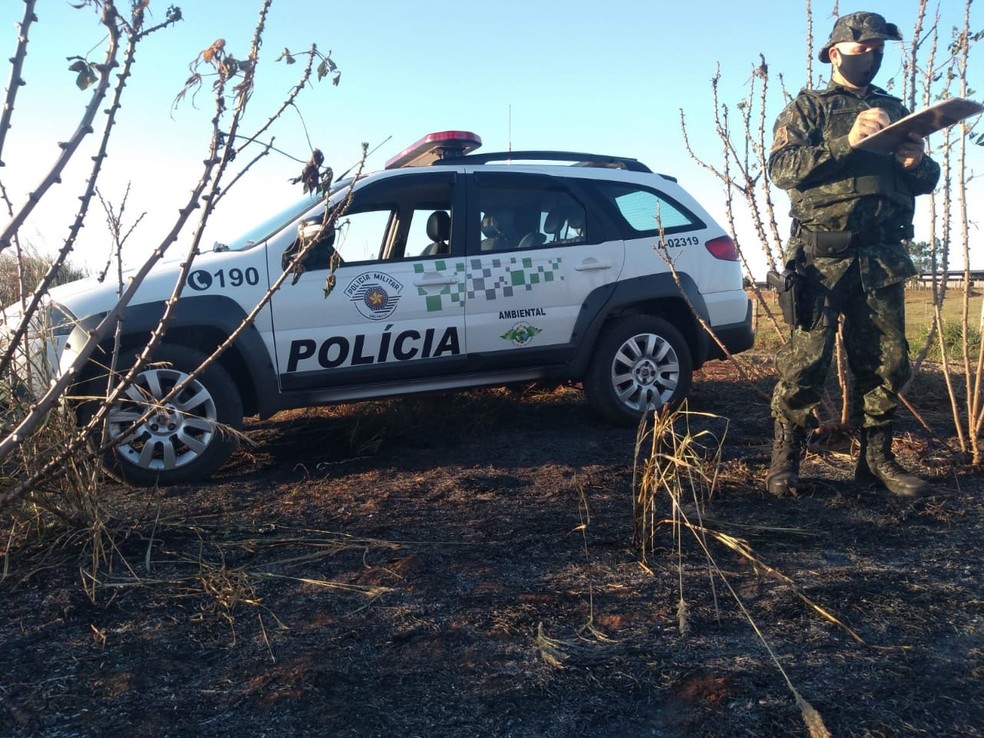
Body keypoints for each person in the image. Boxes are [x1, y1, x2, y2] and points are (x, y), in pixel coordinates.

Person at [765, 11, 941, 498]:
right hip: (821, 259)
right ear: (837, 51)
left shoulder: (895, 108)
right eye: (865, 51)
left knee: (886, 364)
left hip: (881, 257)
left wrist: (917, 162)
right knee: (805, 365)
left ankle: (877, 462)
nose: (874, 59)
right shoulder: (809, 109)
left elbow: (924, 182)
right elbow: (782, 169)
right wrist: (848, 141)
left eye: (880, 51)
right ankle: (785, 465)